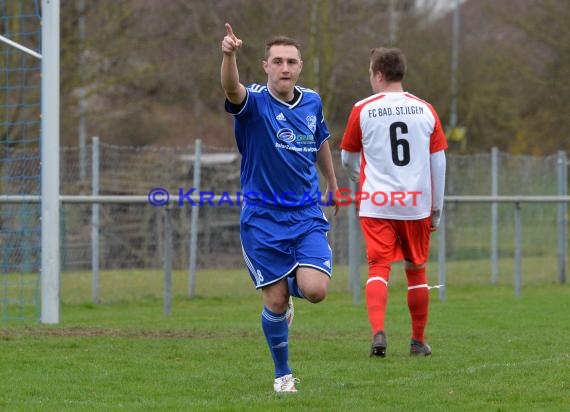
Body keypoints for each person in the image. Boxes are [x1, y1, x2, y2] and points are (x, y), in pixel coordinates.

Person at [220, 23, 339, 392]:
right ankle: (282, 375)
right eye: (277, 61)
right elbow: (230, 88)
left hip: (304, 214)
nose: (284, 68)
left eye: (291, 62)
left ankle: (291, 286)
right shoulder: (254, 102)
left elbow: (320, 142)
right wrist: (228, 56)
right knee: (274, 301)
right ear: (265, 66)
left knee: (316, 289)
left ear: (300, 66)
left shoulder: (312, 102)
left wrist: (332, 183)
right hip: (262, 219)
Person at [340, 47, 447, 358]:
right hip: (416, 204)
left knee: (378, 268)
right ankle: (417, 341)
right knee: (417, 270)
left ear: (378, 74)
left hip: (377, 204)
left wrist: (364, 184)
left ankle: (377, 332)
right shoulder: (425, 110)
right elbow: (438, 164)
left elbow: (348, 157)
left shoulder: (362, 108)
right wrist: (435, 210)